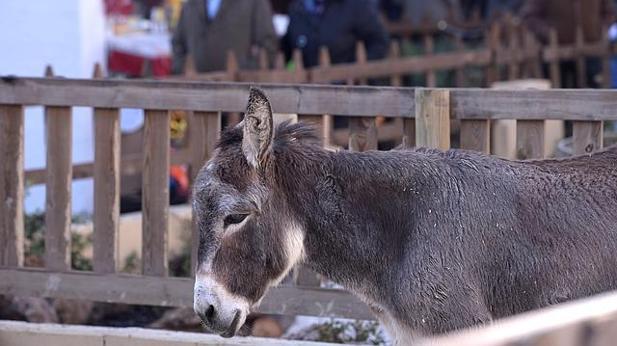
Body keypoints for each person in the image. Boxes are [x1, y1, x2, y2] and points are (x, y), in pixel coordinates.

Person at [521, 0, 615, 88]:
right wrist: (548, 33)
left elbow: (609, 12)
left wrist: (598, 29)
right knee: (558, 96)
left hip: (591, 52)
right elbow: (530, 16)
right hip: (557, 55)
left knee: (592, 92)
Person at [171, 0, 278, 73]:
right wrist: (182, 67)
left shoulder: (253, 2)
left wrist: (246, 70)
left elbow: (268, 43)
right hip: (196, 92)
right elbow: (178, 43)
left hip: (237, 90)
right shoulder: (190, 4)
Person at [282, 0, 389, 68]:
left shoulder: (356, 5)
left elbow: (379, 42)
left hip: (351, 88)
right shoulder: (296, 9)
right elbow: (287, 48)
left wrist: (357, 70)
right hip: (308, 91)